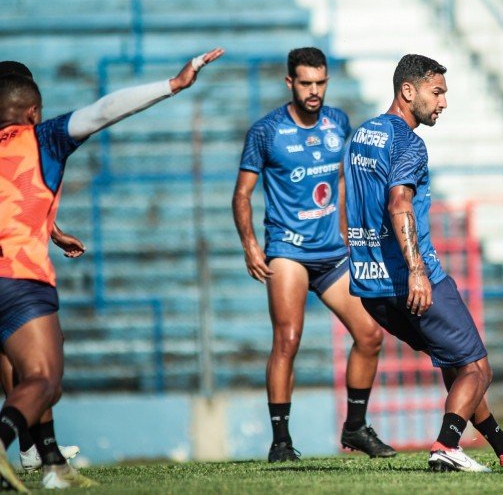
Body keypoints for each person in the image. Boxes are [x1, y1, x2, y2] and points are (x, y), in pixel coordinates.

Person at [0, 47, 223, 491]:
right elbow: (103, 110)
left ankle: (51, 465)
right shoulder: (42, 138)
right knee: (44, 379)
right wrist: (172, 85)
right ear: (33, 110)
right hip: (19, 278)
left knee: (21, 377)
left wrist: (52, 226)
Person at [343, 53, 503, 472]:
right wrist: (416, 270)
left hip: (370, 287)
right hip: (413, 278)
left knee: (457, 364)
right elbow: (400, 202)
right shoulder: (408, 142)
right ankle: (447, 446)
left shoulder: (362, 134)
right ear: (407, 91)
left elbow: (349, 196)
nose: (443, 103)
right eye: (437, 92)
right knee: (477, 368)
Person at [232, 47, 395, 462]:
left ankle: (355, 428)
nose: (314, 90)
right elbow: (243, 194)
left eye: (320, 82)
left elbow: (341, 181)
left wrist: (349, 234)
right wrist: (251, 244)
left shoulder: (338, 121)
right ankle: (281, 441)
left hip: (333, 253)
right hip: (288, 251)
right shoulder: (266, 131)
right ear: (290, 83)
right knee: (288, 339)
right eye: (306, 83)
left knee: (370, 335)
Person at [0, 61, 82, 473]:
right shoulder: (29, 141)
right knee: (37, 367)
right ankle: (35, 451)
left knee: (25, 361)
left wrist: (54, 231)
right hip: (15, 272)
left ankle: (44, 453)